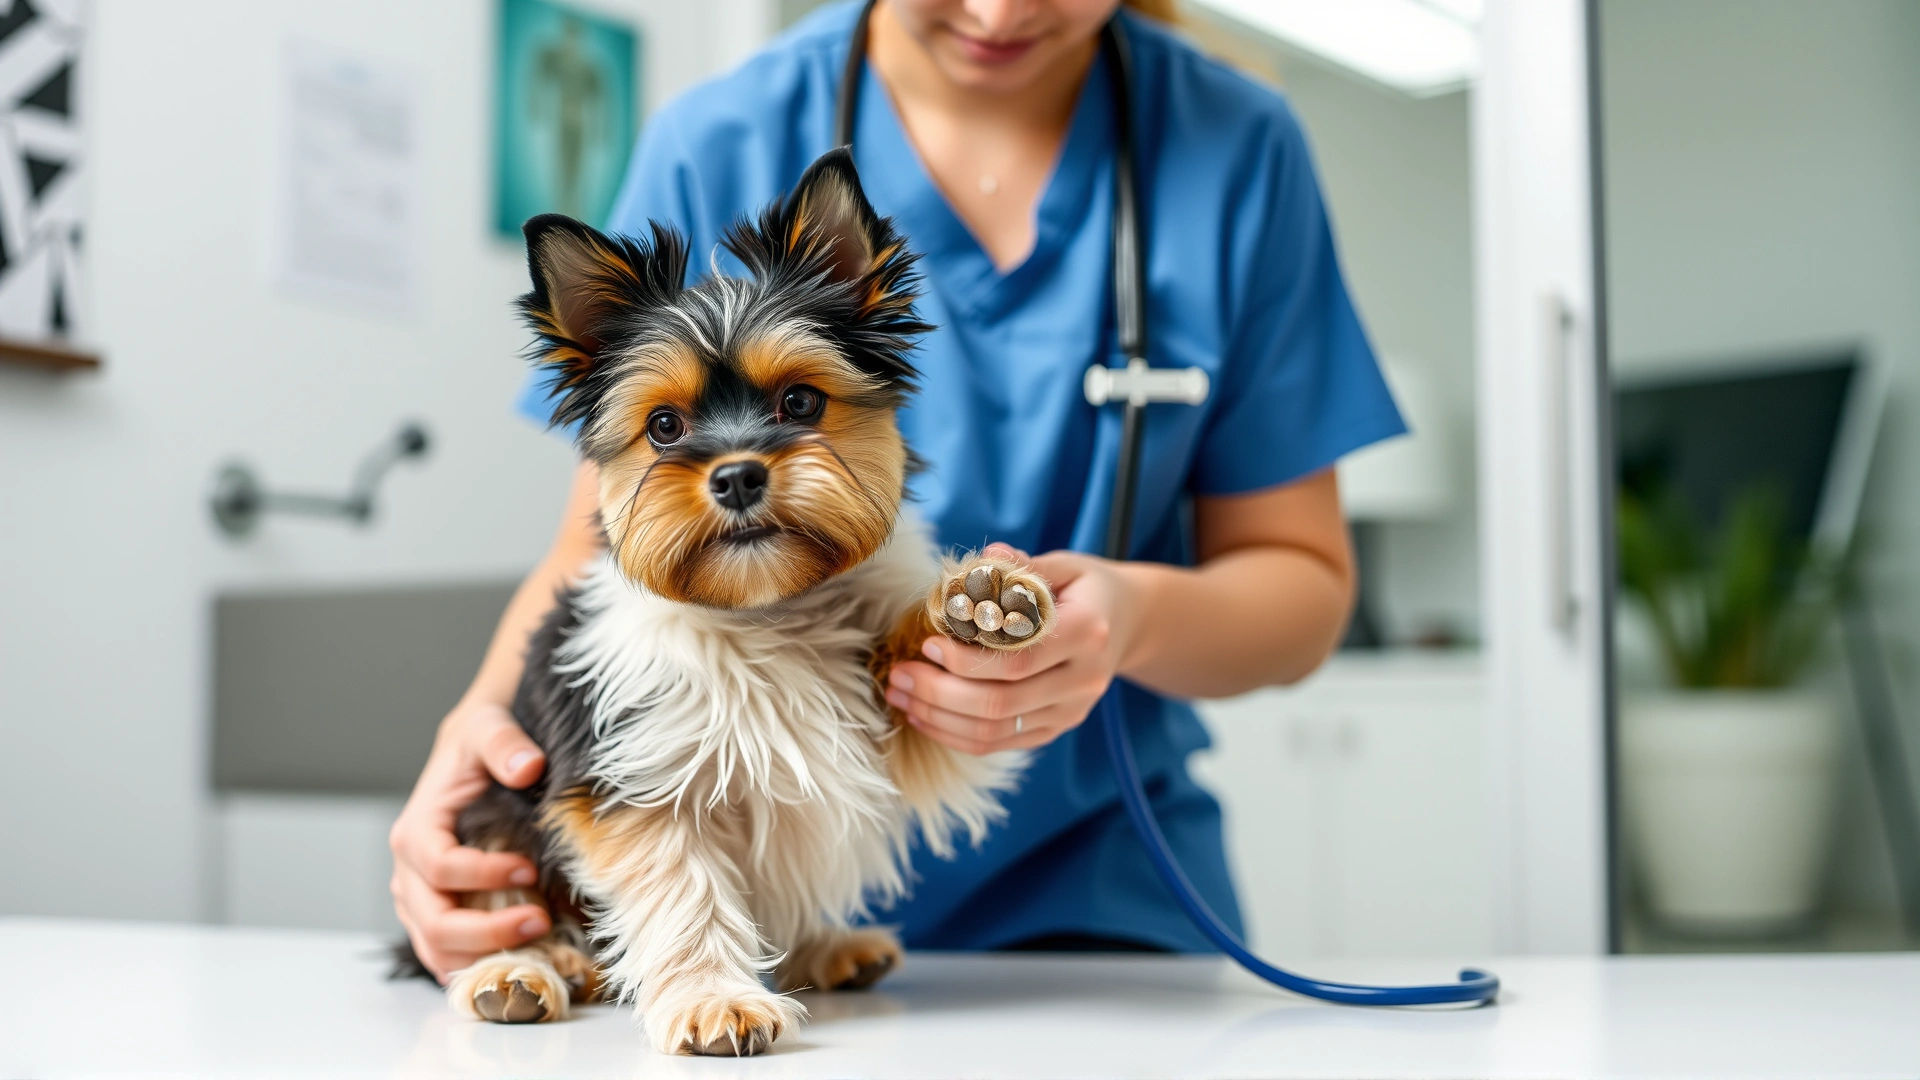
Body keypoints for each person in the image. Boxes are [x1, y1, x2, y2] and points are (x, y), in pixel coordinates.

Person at [390, 0, 1402, 981]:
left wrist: (1129, 618)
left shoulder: (1238, 147)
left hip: (1106, 901)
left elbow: (1302, 583)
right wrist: (475, 747)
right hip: (686, 909)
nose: (998, 14)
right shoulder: (715, 136)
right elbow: (598, 560)